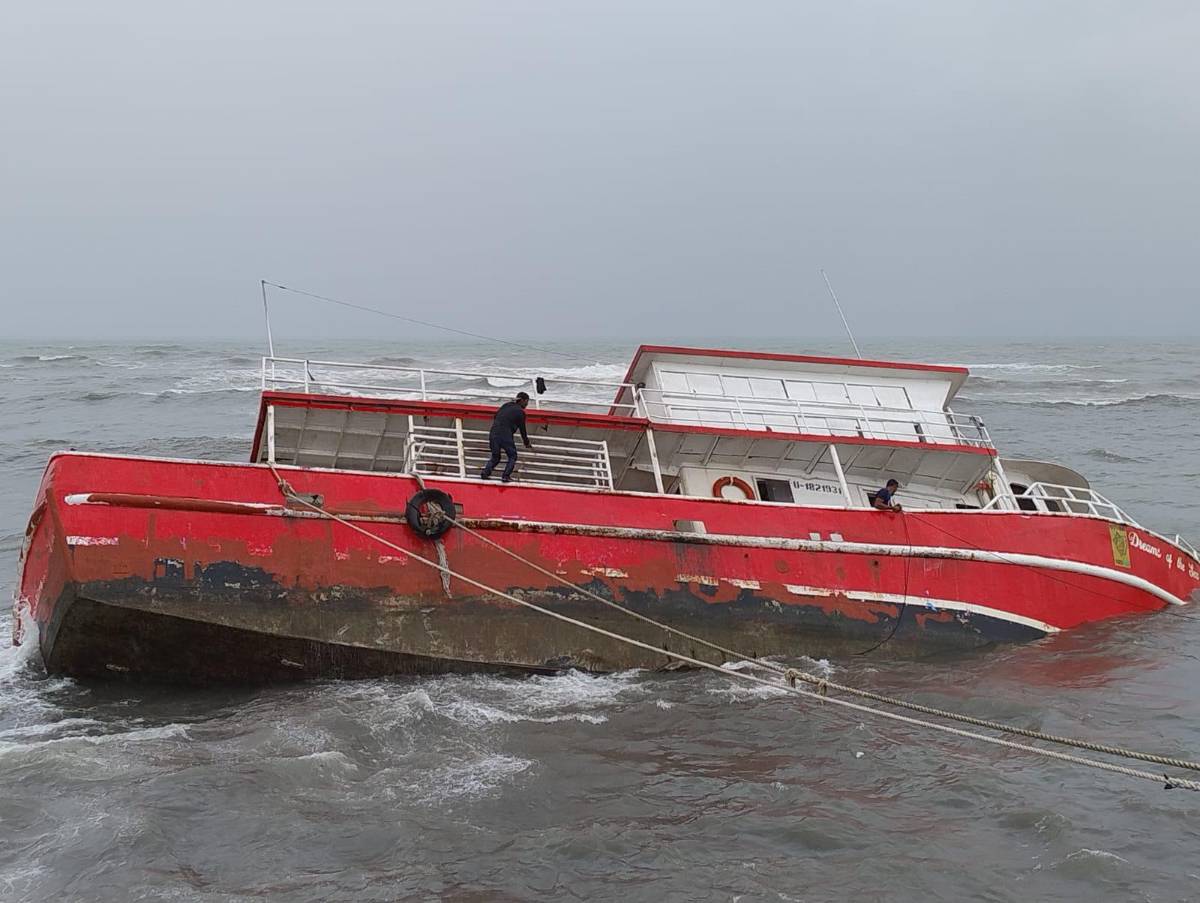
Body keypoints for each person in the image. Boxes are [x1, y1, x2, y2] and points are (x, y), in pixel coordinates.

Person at [481, 392, 532, 482]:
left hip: (493, 433)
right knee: (512, 456)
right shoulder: (520, 412)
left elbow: (496, 416)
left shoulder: (506, 405)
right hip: (505, 435)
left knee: (495, 456)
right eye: (527, 402)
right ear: (523, 401)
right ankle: (506, 476)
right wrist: (526, 443)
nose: (526, 405)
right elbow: (522, 430)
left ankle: (485, 473)